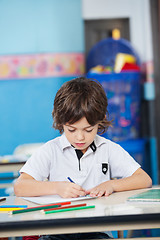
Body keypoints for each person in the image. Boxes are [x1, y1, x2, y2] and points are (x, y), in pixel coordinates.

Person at [14, 77, 152, 240]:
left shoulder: (107, 149)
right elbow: (20, 186)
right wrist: (56, 188)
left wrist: (111, 184)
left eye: (88, 129)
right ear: (61, 123)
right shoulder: (51, 150)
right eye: (71, 130)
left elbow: (144, 179)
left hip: (96, 231)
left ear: (99, 122)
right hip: (57, 231)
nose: (80, 137)